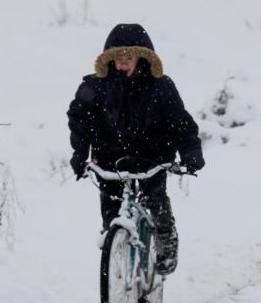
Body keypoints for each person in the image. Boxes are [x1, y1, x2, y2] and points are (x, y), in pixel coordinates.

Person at [67, 23, 204, 275]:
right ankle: (116, 278)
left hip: (151, 160)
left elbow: (180, 122)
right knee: (111, 220)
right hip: (109, 161)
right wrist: (79, 154)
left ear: (141, 57)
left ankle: (165, 234)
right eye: (117, 59)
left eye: (128, 58)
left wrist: (190, 154)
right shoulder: (95, 87)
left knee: (156, 202)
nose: (122, 64)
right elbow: (80, 122)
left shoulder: (161, 86)